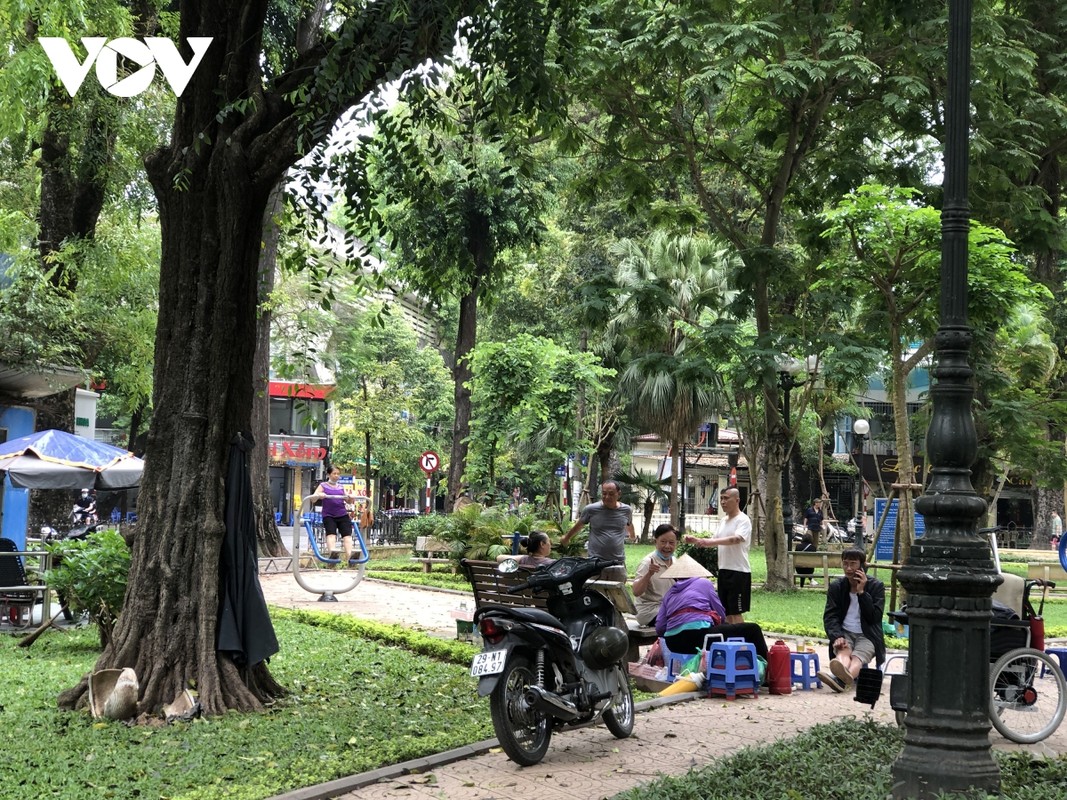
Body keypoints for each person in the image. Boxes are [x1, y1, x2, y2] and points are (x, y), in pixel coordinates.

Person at [654, 554, 769, 661]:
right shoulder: (704, 583)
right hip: (699, 637)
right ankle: (768, 672)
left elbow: (660, 626)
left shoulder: (669, 593)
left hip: (673, 643)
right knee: (753, 630)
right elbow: (721, 613)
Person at [817, 547, 885, 693]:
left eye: (853, 564)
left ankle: (840, 680)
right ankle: (843, 680)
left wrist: (861, 592)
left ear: (862, 565)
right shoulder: (837, 587)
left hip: (868, 635)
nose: (848, 568)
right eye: (845, 563)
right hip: (845, 631)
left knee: (858, 657)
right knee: (843, 651)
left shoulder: (876, 587)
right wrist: (837, 636)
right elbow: (830, 615)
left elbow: (874, 617)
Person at [684, 487, 751, 623]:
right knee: (725, 612)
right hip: (724, 570)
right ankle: (728, 641)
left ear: (737, 500)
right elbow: (714, 539)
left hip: (738, 572)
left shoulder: (743, 520)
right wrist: (697, 540)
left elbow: (736, 539)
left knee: (736, 612)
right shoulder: (723, 521)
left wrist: (708, 542)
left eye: (726, 498)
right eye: (721, 498)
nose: (722, 502)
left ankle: (741, 641)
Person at [560, 480, 636, 580]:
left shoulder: (626, 510)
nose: (607, 497)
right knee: (594, 592)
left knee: (617, 593)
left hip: (617, 561)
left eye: (611, 494)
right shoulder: (591, 509)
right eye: (604, 494)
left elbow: (629, 524)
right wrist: (567, 538)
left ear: (619, 494)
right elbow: (578, 525)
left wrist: (632, 536)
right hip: (595, 561)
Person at [631, 523, 678, 626]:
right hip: (650, 612)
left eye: (671, 543)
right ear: (655, 541)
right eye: (663, 542)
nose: (667, 546)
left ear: (676, 544)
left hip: (669, 609)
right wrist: (649, 574)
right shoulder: (647, 563)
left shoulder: (675, 561)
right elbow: (636, 591)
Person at [307, 466, 356, 564]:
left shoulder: (341, 487)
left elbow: (349, 501)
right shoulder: (323, 485)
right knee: (331, 535)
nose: (336, 475)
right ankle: (332, 556)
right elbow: (313, 499)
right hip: (329, 515)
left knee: (347, 535)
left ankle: (350, 557)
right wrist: (319, 495)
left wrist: (351, 497)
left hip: (342, 514)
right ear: (329, 474)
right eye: (334, 473)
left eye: (338, 474)